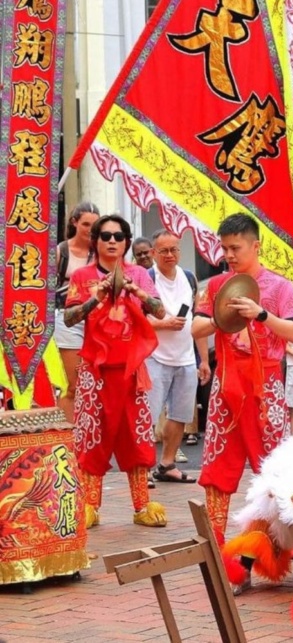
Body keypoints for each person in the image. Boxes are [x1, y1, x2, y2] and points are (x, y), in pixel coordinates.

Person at [191, 213, 293, 542]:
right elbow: (196, 328)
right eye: (224, 248)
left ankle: (276, 541)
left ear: (255, 246)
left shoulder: (280, 286)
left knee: (272, 466)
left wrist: (262, 314)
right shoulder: (215, 286)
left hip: (265, 385)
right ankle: (215, 538)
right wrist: (222, 315)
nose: (228, 255)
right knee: (217, 463)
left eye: (235, 248)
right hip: (226, 384)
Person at [64, 214, 167, 528]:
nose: (112, 241)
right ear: (95, 241)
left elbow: (160, 310)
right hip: (95, 371)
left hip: (131, 370)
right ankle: (91, 506)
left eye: (118, 236)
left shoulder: (139, 273)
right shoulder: (82, 276)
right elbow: (69, 318)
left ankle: (141, 506)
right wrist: (95, 298)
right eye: (105, 236)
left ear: (126, 242)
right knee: (92, 437)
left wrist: (136, 291)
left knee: (136, 438)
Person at [146, 230, 211, 484]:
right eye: (164, 251)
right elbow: (137, 319)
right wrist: (163, 324)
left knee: (181, 414)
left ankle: (167, 464)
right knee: (147, 416)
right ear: (154, 253)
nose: (170, 255)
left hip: (185, 357)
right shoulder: (147, 279)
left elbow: (199, 321)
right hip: (153, 356)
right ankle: (143, 468)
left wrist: (203, 360)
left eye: (174, 249)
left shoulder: (189, 278)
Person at [54, 202, 100, 423]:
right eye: (86, 224)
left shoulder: (101, 250)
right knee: (72, 384)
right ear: (74, 223)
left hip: (97, 319)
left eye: (95, 224)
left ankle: (89, 436)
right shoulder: (61, 251)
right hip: (67, 318)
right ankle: (69, 441)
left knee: (96, 382)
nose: (91, 229)